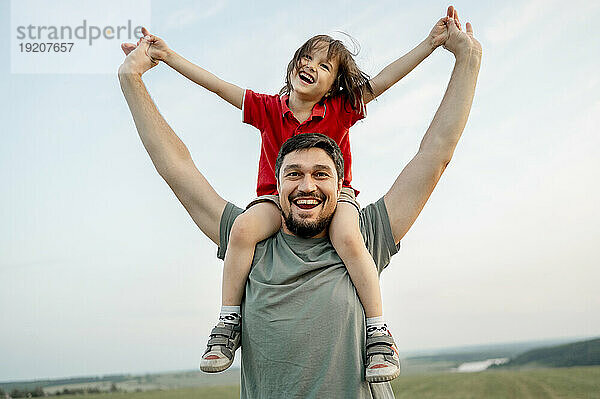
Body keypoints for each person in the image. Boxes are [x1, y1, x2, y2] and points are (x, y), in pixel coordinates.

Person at [119, 5, 481, 398]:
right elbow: (177, 167)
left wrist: (461, 55)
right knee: (244, 225)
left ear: (339, 179)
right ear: (278, 179)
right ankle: (228, 323)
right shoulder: (255, 243)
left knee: (347, 233)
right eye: (294, 172)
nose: (307, 184)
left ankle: (380, 333)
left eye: (321, 173)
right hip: (267, 208)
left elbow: (435, 152)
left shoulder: (362, 235)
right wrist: (137, 74)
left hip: (345, 215)